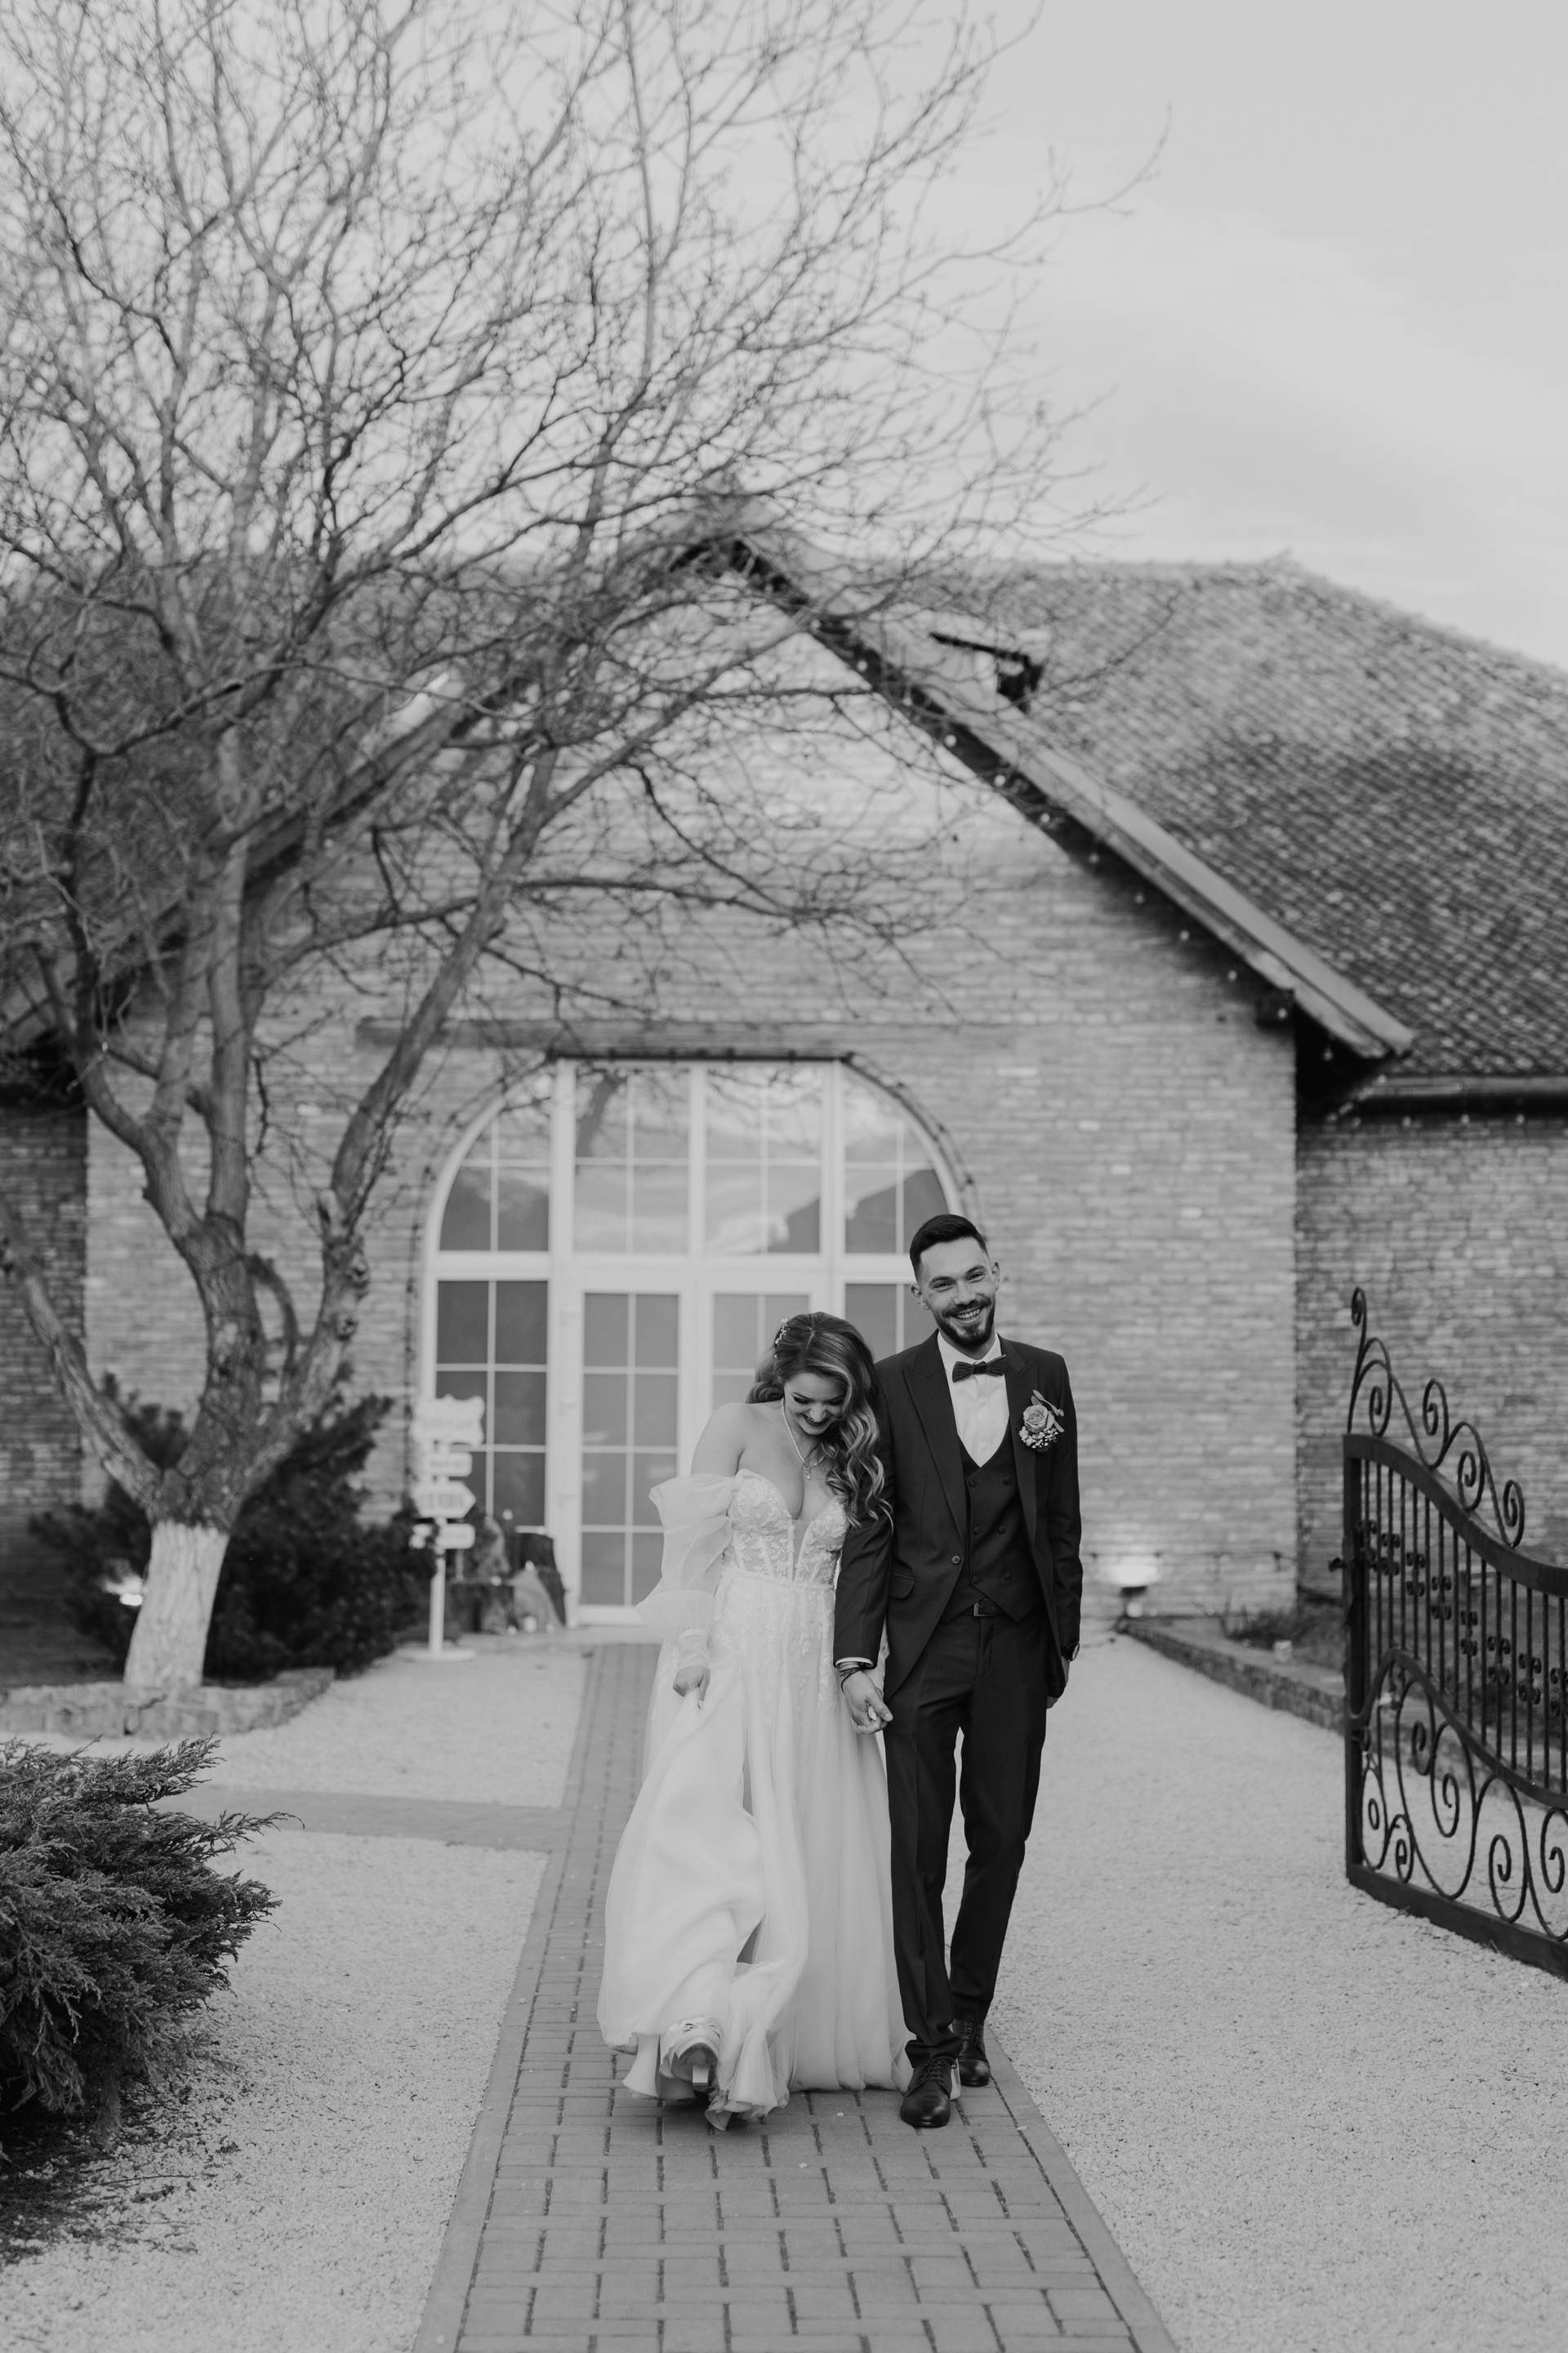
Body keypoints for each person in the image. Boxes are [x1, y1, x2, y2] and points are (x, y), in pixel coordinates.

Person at [597, 1312, 909, 2124]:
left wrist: (862, 1665)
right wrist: (691, 1645)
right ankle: (696, 2020)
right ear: (781, 1377)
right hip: (732, 1652)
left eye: (834, 1402)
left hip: (814, 1665)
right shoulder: (734, 1424)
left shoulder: (856, 1450)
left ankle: (779, 2029)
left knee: (808, 1839)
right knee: (713, 1836)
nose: (819, 1415)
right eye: (806, 1399)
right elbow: (691, 1549)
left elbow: (868, 1573)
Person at [834, 1214, 1082, 2131]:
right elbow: (872, 1525)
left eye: (974, 1276)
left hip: (1017, 1641)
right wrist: (854, 1656)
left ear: (995, 1273)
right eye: (943, 1283)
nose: (964, 1295)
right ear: (921, 1295)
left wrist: (1063, 1637)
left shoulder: (1045, 1375)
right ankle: (931, 2047)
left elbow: (1062, 1515)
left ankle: (971, 2012)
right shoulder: (891, 1383)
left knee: (1002, 1837)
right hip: (923, 1645)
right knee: (916, 1848)